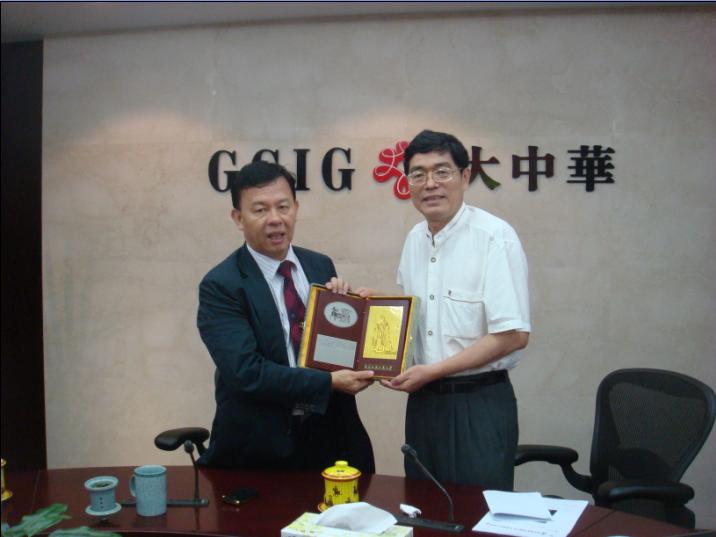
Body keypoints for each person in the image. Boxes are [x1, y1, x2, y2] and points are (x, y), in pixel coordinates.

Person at [355, 130, 530, 489]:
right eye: (418, 174)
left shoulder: (494, 237)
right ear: (408, 184)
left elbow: (513, 335)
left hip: (478, 403)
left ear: (464, 177)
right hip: (424, 404)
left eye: (442, 171)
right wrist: (379, 305)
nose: (430, 183)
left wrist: (432, 371)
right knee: (422, 503)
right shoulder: (414, 240)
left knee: (477, 509)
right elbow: (425, 316)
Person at [197, 160, 375, 472]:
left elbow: (332, 348)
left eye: (283, 207)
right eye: (260, 210)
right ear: (238, 218)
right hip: (261, 446)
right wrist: (328, 382)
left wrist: (353, 314)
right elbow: (246, 373)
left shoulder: (320, 265)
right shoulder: (221, 285)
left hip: (330, 434)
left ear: (296, 208)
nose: (275, 219)